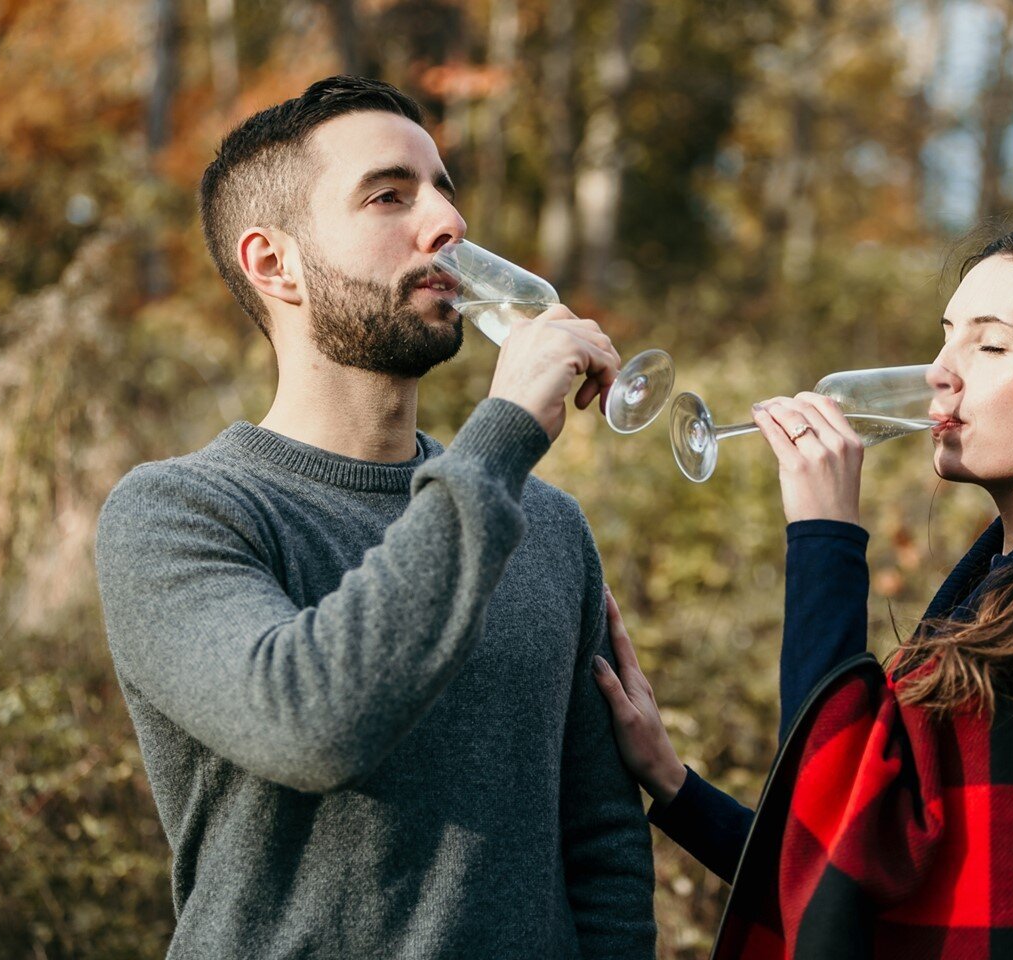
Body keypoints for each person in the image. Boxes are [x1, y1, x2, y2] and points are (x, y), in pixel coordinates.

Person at [95, 75, 655, 959]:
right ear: (272, 263)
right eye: (390, 195)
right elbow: (308, 724)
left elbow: (602, 846)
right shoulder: (178, 512)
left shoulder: (545, 523)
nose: (447, 223)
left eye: (445, 191)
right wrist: (503, 435)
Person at [594, 223, 1013, 958]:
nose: (941, 371)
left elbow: (841, 826)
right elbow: (863, 876)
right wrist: (674, 782)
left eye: (990, 345)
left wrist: (824, 537)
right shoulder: (1012, 611)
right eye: (946, 338)